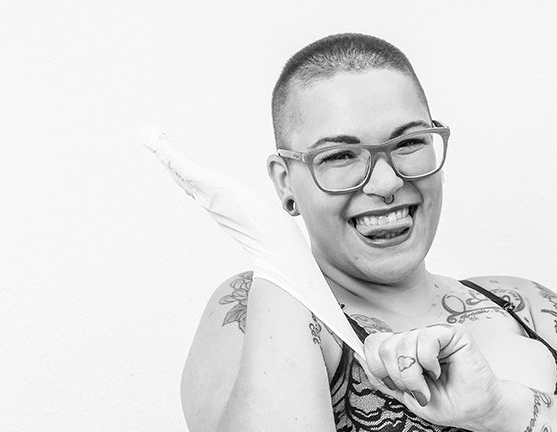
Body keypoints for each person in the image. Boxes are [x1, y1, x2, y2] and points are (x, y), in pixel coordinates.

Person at [143, 33, 557, 431]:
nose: (386, 182)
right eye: (340, 155)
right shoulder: (253, 310)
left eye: (409, 143)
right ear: (285, 182)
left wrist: (500, 410)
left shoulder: (526, 305)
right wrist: (278, 256)